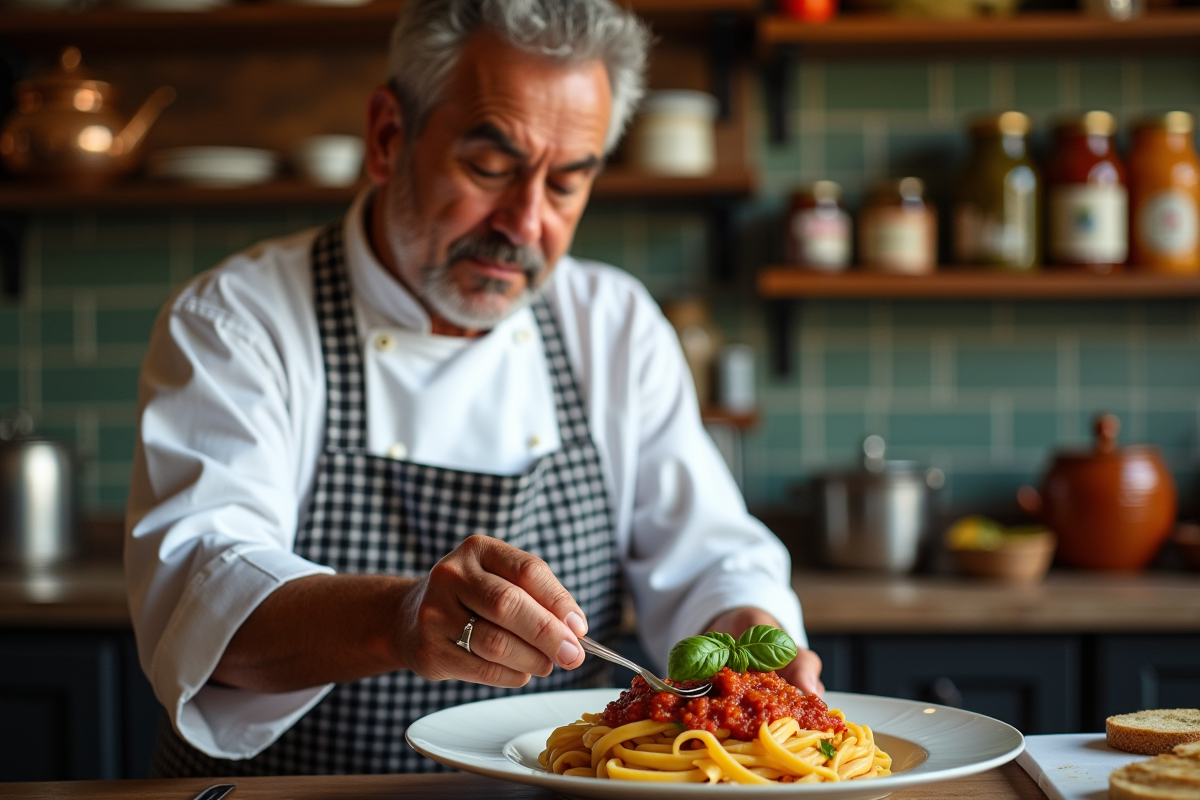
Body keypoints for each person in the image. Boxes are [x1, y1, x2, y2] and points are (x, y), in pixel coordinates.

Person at [125, 0, 822, 777]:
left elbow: (705, 558)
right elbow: (203, 601)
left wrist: (748, 631)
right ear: (389, 136)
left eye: (565, 183)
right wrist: (399, 618)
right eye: (490, 168)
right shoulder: (239, 322)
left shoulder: (613, 324)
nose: (525, 222)